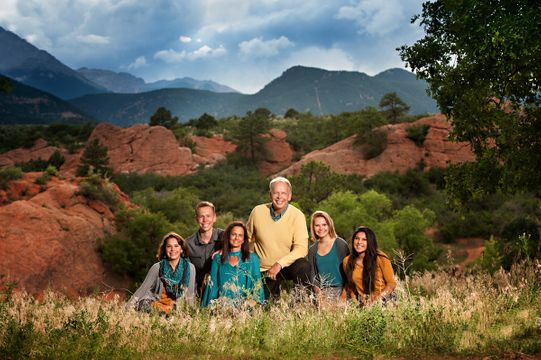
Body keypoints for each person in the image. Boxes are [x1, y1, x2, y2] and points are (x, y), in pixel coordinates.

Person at [247, 176, 311, 299]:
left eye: (283, 193)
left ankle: (300, 304)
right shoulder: (257, 211)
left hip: (285, 266)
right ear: (270, 194)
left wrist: (279, 264)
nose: (279, 197)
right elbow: (247, 239)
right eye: (276, 193)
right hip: (263, 269)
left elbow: (301, 249)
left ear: (289, 196)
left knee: (304, 266)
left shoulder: (297, 216)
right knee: (267, 306)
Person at [127, 232, 196, 313]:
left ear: (181, 249)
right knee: (144, 305)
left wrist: (191, 314)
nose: (173, 249)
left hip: (175, 308)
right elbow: (142, 289)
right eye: (169, 246)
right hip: (156, 305)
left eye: (176, 246)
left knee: (174, 313)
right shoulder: (157, 267)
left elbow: (190, 295)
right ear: (165, 249)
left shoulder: (190, 268)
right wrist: (127, 308)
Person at [201, 221, 265, 307]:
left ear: (243, 239)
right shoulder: (218, 258)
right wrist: (210, 306)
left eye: (240, 235)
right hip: (222, 305)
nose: (236, 238)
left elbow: (257, 282)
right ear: (228, 236)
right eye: (233, 234)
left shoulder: (252, 258)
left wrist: (256, 303)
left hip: (245, 306)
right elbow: (213, 284)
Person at [342, 226, 396, 306]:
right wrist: (355, 306)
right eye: (357, 238)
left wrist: (376, 301)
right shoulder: (347, 261)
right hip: (364, 304)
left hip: (385, 300)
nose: (359, 242)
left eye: (364, 239)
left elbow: (391, 284)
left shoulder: (380, 258)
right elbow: (351, 287)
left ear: (370, 242)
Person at [307, 211, 350, 300]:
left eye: (324, 225)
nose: (321, 228)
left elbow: (350, 273)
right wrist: (320, 297)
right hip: (323, 293)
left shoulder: (340, 244)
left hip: (343, 290)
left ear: (329, 225)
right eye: (317, 225)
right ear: (313, 227)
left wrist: (343, 297)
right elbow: (313, 277)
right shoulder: (312, 249)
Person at [186, 201, 224, 297]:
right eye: (201, 216)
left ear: (214, 217)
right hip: (198, 293)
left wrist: (225, 249)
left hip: (223, 290)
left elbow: (243, 241)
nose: (205, 220)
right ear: (196, 219)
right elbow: (187, 274)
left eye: (208, 216)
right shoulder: (188, 244)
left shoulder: (225, 237)